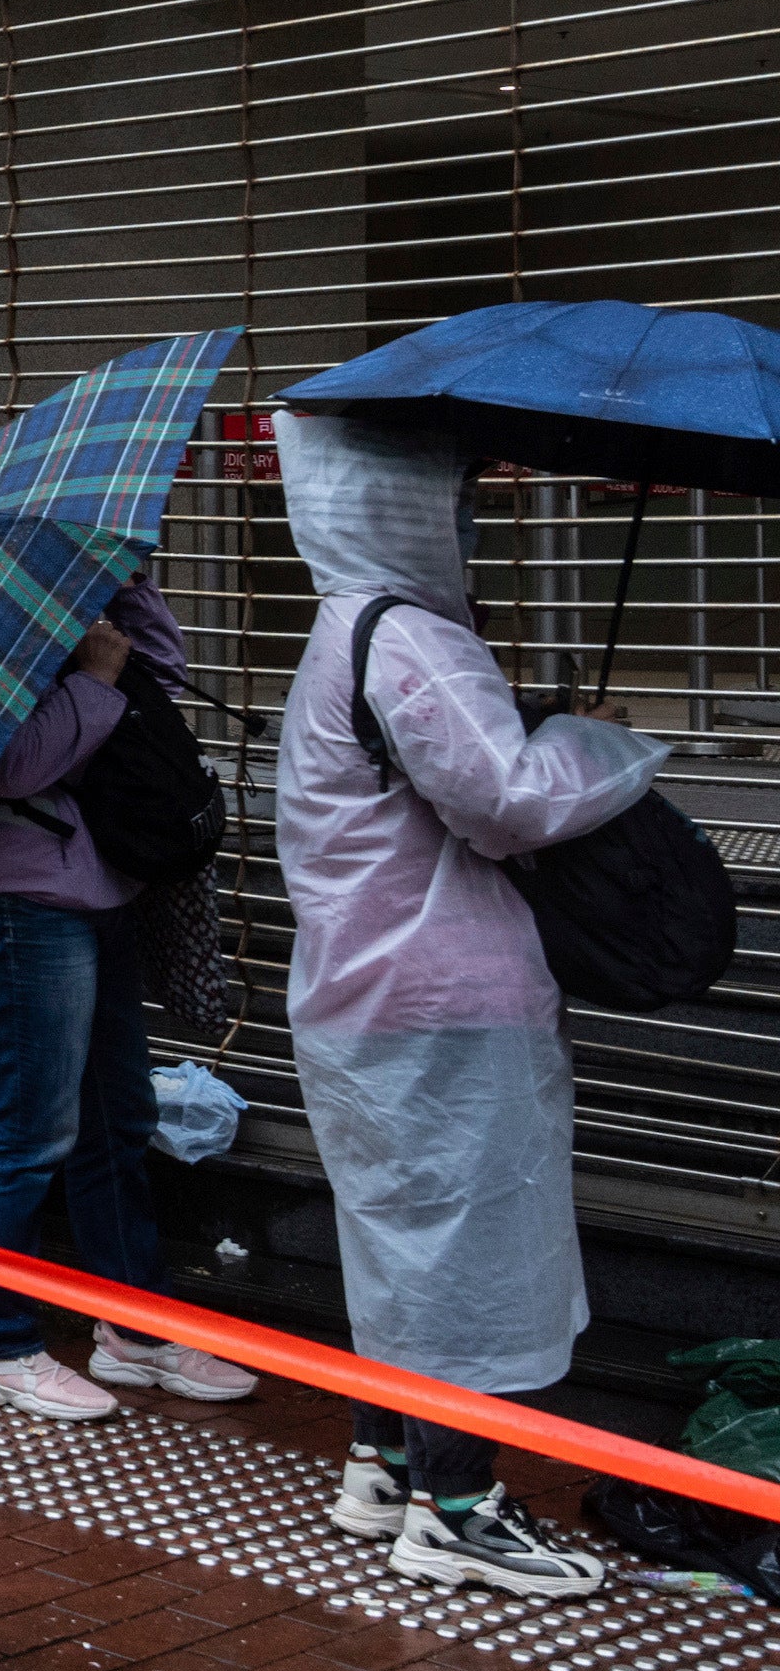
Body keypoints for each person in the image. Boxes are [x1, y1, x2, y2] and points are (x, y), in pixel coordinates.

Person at [277, 409, 654, 1597]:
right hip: (442, 997)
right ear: (405, 503)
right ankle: (455, 1507)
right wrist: (603, 745)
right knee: (463, 1257)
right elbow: (510, 803)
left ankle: (383, 1460)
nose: (472, 516)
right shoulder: (411, 641)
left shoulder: (346, 629)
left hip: (365, 993)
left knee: (402, 1242)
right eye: (459, 495)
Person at [0, 575, 259, 1422]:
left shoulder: (65, 597)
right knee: (26, 1128)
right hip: (14, 900)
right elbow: (12, 764)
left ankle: (136, 1325)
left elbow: (162, 673)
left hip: (99, 888)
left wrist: (128, 586)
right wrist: (93, 681)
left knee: (118, 1119)